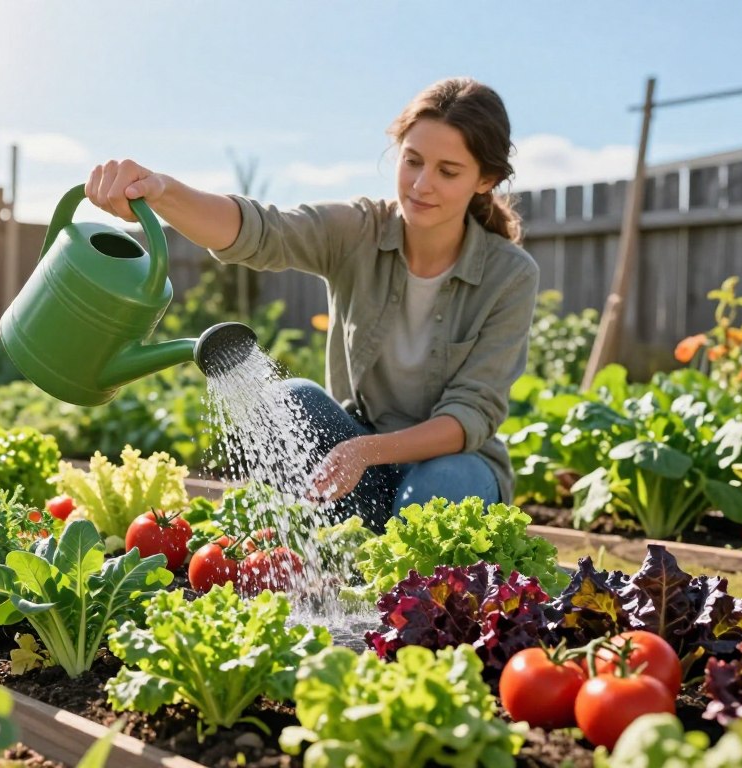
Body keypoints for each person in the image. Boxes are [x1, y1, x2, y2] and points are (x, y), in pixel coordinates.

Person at [85, 76, 539, 531]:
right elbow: (261, 232)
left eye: (448, 171)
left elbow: (471, 415)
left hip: (451, 465)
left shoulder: (509, 275)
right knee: (290, 401)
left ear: (486, 179)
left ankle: (399, 572)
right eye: (412, 161)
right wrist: (162, 192)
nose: (421, 185)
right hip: (356, 461)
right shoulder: (359, 230)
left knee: (440, 490)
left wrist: (367, 451)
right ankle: (339, 549)